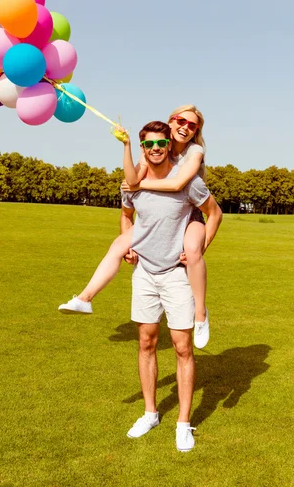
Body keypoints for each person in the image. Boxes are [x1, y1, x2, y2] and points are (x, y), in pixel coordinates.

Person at [58, 105, 211, 348]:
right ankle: (85, 298)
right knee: (119, 244)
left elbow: (177, 184)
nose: (186, 127)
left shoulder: (195, 151)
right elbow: (132, 180)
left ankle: (201, 315)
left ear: (196, 131)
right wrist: (127, 145)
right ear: (171, 122)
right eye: (181, 121)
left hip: (190, 210)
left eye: (193, 125)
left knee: (192, 252)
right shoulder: (156, 143)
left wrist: (142, 186)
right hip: (160, 212)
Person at [119, 121, 222, 451]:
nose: (156, 148)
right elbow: (125, 215)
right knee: (146, 341)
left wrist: (196, 252)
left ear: (167, 145)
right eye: (149, 144)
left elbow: (214, 212)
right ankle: (150, 413)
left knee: (182, 347)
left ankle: (183, 423)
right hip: (145, 274)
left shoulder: (187, 182)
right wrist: (128, 244)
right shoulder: (132, 184)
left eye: (161, 142)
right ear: (142, 147)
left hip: (177, 277)